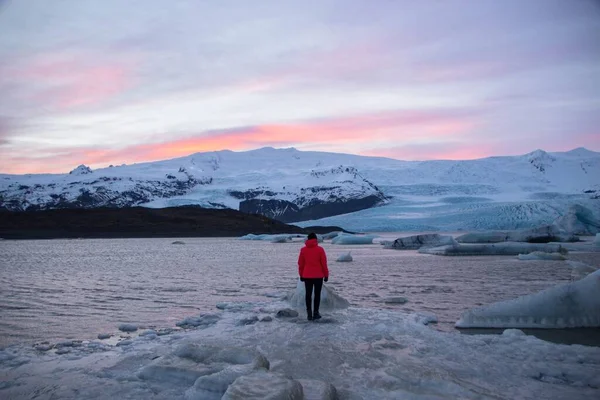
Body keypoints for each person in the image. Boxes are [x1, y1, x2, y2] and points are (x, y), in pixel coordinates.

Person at [298, 232, 329, 321]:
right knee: (317, 294)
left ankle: (309, 314)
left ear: (308, 239)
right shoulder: (320, 249)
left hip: (307, 275)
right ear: (316, 239)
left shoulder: (303, 250)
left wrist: (301, 274)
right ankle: (316, 313)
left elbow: (301, 264)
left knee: (308, 294)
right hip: (318, 276)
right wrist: (326, 275)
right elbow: (324, 264)